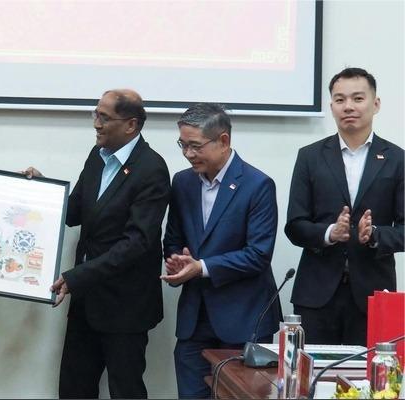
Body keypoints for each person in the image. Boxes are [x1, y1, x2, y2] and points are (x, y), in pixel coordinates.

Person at [24, 89, 169, 399]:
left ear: (131, 125)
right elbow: (74, 211)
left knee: (125, 390)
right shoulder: (97, 157)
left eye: (104, 117)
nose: (96, 124)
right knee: (74, 388)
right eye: (96, 114)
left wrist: (77, 276)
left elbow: (137, 243)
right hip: (87, 302)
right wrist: (39, 193)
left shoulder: (152, 169)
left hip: (125, 307)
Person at [162, 103, 280, 399]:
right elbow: (173, 239)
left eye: (195, 146)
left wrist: (200, 267)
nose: (188, 154)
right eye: (182, 145)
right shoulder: (182, 182)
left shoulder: (257, 185)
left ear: (224, 141)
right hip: (194, 322)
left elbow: (258, 254)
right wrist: (177, 262)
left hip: (243, 321)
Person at [285, 68, 403, 345]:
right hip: (315, 296)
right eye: (340, 100)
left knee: (370, 383)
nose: (348, 106)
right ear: (331, 106)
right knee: (308, 381)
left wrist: (374, 234)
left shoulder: (398, 159)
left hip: (373, 296)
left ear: (375, 104)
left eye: (357, 98)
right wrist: (329, 234)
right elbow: (295, 225)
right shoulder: (310, 157)